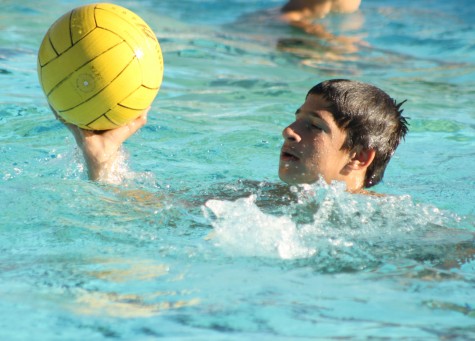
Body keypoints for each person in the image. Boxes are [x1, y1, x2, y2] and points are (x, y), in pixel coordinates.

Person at [57, 79, 408, 195]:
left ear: (360, 157)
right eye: (296, 119)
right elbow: (139, 211)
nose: (289, 131)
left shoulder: (386, 218)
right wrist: (103, 160)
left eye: (314, 126)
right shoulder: (252, 197)